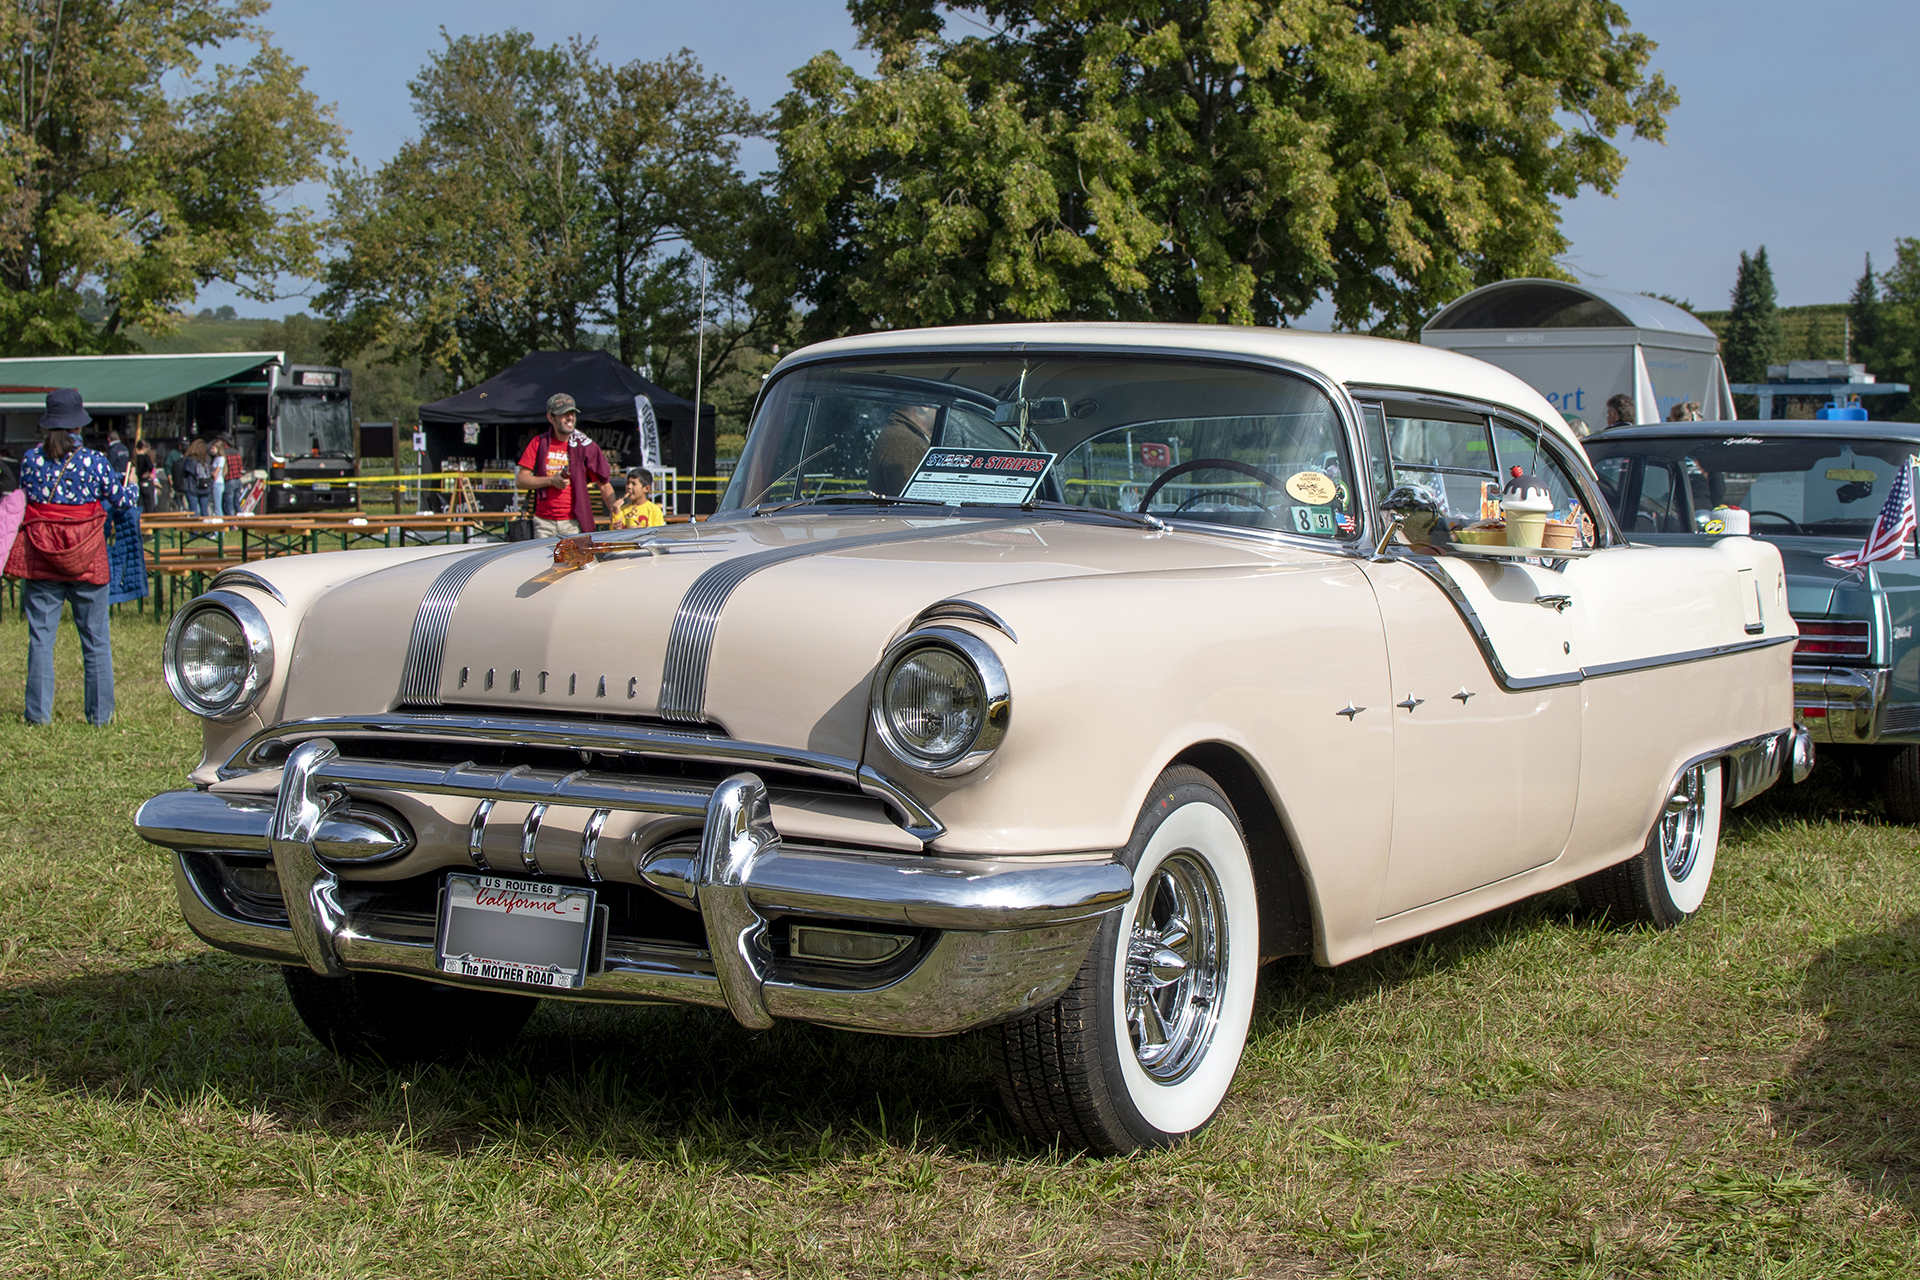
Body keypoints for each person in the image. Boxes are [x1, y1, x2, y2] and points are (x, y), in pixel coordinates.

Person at [4, 388, 138, 726]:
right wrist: (132, 484)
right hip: (87, 556)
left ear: (48, 424)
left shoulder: (32, 460)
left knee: (40, 640)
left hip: (42, 557)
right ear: (78, 424)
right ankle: (100, 716)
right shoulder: (95, 461)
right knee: (95, 641)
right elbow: (123, 502)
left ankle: (37, 715)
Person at [515, 393, 614, 536]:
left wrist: (615, 512)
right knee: (542, 559)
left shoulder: (585, 445)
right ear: (550, 418)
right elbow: (520, 480)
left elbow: (604, 483)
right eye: (564, 414)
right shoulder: (539, 442)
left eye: (572, 413)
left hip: (573, 523)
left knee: (575, 559)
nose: (570, 417)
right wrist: (551, 480)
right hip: (543, 523)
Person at [181, 438, 213, 516]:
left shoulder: (190, 459)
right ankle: (205, 527)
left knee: (193, 511)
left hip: (192, 488)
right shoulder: (207, 459)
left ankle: (195, 528)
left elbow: (185, 473)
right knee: (204, 511)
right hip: (205, 488)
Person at [222, 436, 245, 514]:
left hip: (229, 480)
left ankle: (232, 524)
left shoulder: (223, 453)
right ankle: (242, 522)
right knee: (237, 504)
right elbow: (240, 466)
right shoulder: (236, 452)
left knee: (229, 504)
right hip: (238, 480)